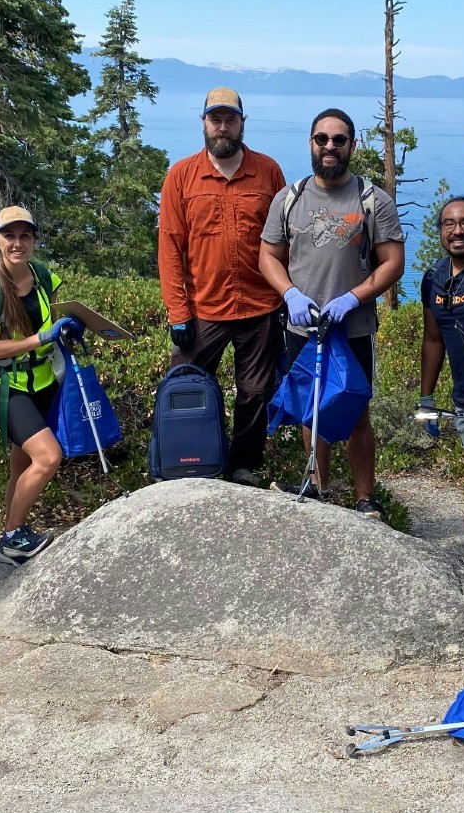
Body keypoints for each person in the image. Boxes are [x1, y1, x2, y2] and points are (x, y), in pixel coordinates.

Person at [259, 108, 406, 518]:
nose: (330, 146)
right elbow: (268, 256)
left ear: (351, 146)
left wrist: (353, 298)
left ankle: (366, 499)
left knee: (356, 409)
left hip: (352, 327)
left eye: (338, 140)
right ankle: (318, 489)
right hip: (302, 326)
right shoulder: (289, 200)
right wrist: (289, 294)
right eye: (322, 139)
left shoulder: (373, 200)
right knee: (311, 408)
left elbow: (393, 263)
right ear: (311, 143)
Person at [158, 86, 288, 486]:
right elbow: (170, 249)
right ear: (204, 123)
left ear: (242, 123)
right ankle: (186, 458)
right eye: (215, 119)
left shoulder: (269, 171)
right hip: (203, 309)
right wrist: (177, 312)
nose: (223, 126)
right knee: (184, 387)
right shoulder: (181, 175)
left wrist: (287, 293)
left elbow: (285, 240)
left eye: (230, 119)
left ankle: (241, 465)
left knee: (255, 393)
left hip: (260, 306)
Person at [0, 206, 82, 566]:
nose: (17, 243)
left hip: (44, 380)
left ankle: (14, 527)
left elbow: (53, 315)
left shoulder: (43, 276)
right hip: (5, 385)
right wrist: (40, 337)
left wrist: (67, 328)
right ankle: (13, 538)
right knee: (48, 456)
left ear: (33, 240)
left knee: (23, 460)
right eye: (10, 235)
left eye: (25, 235)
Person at [418, 195, 464, 473]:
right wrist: (426, 399)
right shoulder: (434, 277)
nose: (457, 231)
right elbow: (433, 339)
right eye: (448, 224)